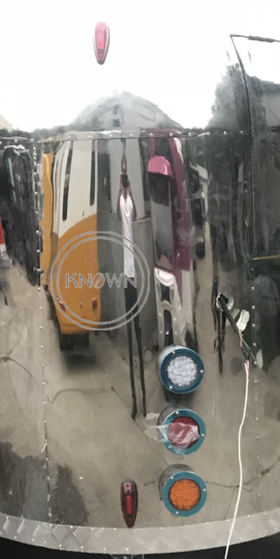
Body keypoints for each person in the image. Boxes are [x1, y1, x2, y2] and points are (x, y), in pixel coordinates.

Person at [116, 157, 146, 419]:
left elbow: (133, 214)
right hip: (126, 275)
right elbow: (119, 213)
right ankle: (135, 398)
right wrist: (120, 184)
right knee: (129, 325)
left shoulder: (130, 205)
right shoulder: (120, 204)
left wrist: (130, 188)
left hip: (134, 273)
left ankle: (143, 396)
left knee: (137, 327)